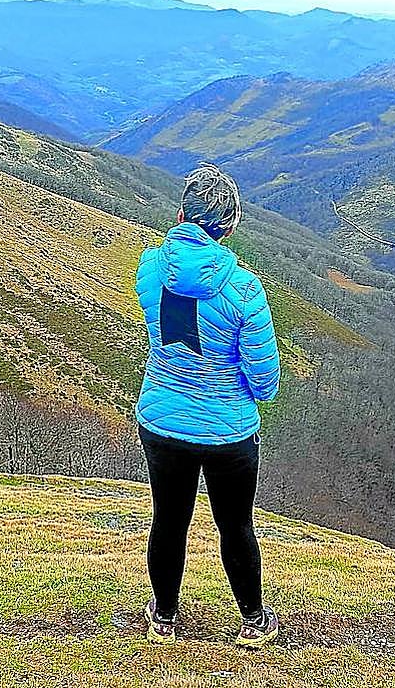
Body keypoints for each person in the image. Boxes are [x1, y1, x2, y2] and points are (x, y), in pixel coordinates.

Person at [133, 162, 281, 648]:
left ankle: (163, 619)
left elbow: (165, 332)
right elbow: (264, 382)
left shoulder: (151, 269)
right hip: (228, 432)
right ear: (230, 225)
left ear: (181, 212)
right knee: (235, 526)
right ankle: (254, 623)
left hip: (163, 420)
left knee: (168, 520)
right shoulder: (244, 289)